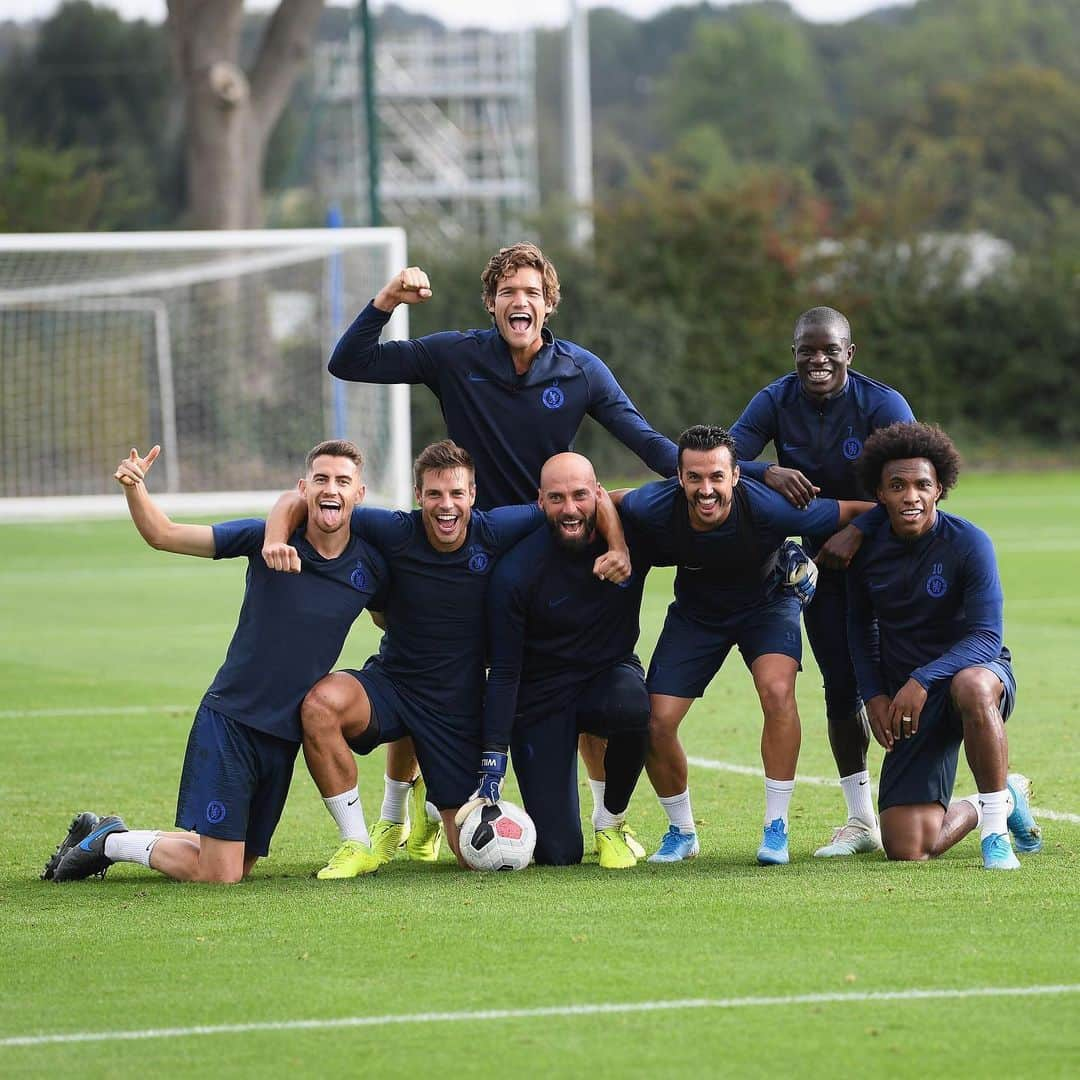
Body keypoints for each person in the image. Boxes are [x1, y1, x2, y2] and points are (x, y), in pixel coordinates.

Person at [328, 240, 677, 832]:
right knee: (427, 670)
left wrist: (729, 478)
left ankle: (608, 823)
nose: (521, 302)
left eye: (533, 294)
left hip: (552, 549)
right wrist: (387, 298)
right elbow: (351, 362)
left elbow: (646, 443)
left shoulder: (580, 369)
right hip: (469, 545)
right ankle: (395, 821)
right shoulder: (454, 356)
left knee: (589, 677)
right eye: (508, 292)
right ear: (490, 303)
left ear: (549, 306)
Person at [261, 440, 629, 876]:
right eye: (434, 494)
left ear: (473, 495)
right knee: (320, 706)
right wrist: (273, 538)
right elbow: (298, 500)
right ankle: (357, 842)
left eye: (457, 493)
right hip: (394, 684)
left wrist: (619, 546)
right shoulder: (397, 529)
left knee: (475, 859)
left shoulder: (495, 530)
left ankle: (432, 809)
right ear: (419, 496)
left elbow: (599, 500)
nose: (446, 505)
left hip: (454, 709)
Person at [43, 440, 388, 884]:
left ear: (359, 494)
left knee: (235, 864)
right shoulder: (263, 538)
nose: (331, 490)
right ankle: (108, 843)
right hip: (232, 723)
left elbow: (388, 619)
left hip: (283, 738)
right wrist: (135, 489)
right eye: (321, 479)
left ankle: (106, 834)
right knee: (220, 874)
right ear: (304, 488)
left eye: (343, 481)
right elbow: (163, 534)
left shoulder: (370, 566)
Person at [613, 424, 875, 865]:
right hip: (696, 615)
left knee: (777, 691)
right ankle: (682, 832)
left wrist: (843, 539)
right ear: (679, 478)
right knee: (654, 722)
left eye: (717, 476)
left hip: (768, 607)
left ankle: (777, 828)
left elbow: (859, 509)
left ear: (736, 476)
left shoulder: (771, 507)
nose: (706, 488)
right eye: (694, 477)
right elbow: (606, 499)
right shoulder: (656, 503)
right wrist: (618, 544)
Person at [729, 306, 916, 857]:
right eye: (806, 349)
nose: (817, 360)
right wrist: (769, 470)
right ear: (794, 353)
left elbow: (916, 484)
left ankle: (985, 792)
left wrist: (859, 531)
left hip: (884, 560)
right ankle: (860, 820)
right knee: (840, 683)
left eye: (829, 349)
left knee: (909, 677)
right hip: (822, 569)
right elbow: (726, 457)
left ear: (849, 354)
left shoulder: (882, 404)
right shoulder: (774, 399)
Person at [845, 421, 1042, 869]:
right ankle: (1002, 797)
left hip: (974, 677)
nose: (910, 496)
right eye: (897, 486)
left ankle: (995, 835)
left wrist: (923, 677)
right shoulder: (867, 551)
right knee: (907, 848)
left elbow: (987, 637)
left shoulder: (969, 543)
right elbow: (859, 629)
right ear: (880, 494)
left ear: (940, 491)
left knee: (971, 685)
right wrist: (874, 694)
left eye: (922, 485)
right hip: (909, 699)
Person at [480, 453, 652, 869]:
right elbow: (504, 672)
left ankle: (610, 822)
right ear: (539, 501)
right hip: (540, 696)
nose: (570, 509)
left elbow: (694, 501)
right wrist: (491, 762)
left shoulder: (634, 536)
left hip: (606, 678)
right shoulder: (516, 572)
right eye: (557, 498)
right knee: (559, 854)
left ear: (598, 494)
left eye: (580, 495)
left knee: (635, 705)